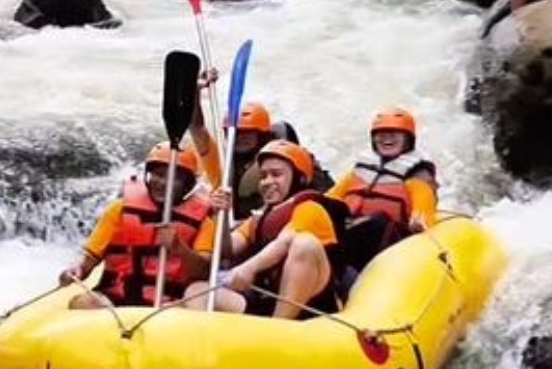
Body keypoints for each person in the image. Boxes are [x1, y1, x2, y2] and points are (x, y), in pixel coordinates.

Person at [185, 140, 348, 320]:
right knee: (197, 291)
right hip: (269, 301)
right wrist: (221, 216)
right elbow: (227, 249)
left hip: (311, 306)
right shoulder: (259, 219)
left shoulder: (311, 208)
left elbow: (285, 241)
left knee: (305, 244)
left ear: (299, 178)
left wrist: (248, 269)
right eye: (263, 176)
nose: (267, 182)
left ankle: (279, 327)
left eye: (276, 174)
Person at [58, 142, 224, 309]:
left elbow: (203, 272)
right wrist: (77, 268)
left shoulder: (204, 221)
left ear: (188, 185)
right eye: (158, 175)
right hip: (115, 297)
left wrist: (179, 247)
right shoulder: (119, 210)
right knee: (88, 303)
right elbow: (90, 257)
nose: (163, 183)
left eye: (174, 178)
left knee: (182, 311)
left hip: (168, 304)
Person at [190, 74, 334, 218]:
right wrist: (195, 91)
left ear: (262, 135)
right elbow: (196, 128)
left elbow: (321, 188)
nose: (240, 138)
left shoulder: (290, 156)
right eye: (235, 133)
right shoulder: (221, 161)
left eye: (247, 133)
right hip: (237, 225)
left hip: (285, 217)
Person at [328, 109, 438, 282]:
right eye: (381, 134)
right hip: (350, 234)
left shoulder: (417, 175)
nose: (387, 138)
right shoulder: (361, 171)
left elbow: (424, 210)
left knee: (377, 222)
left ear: (408, 139)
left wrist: (420, 223)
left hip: (387, 243)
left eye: (394, 133)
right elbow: (328, 200)